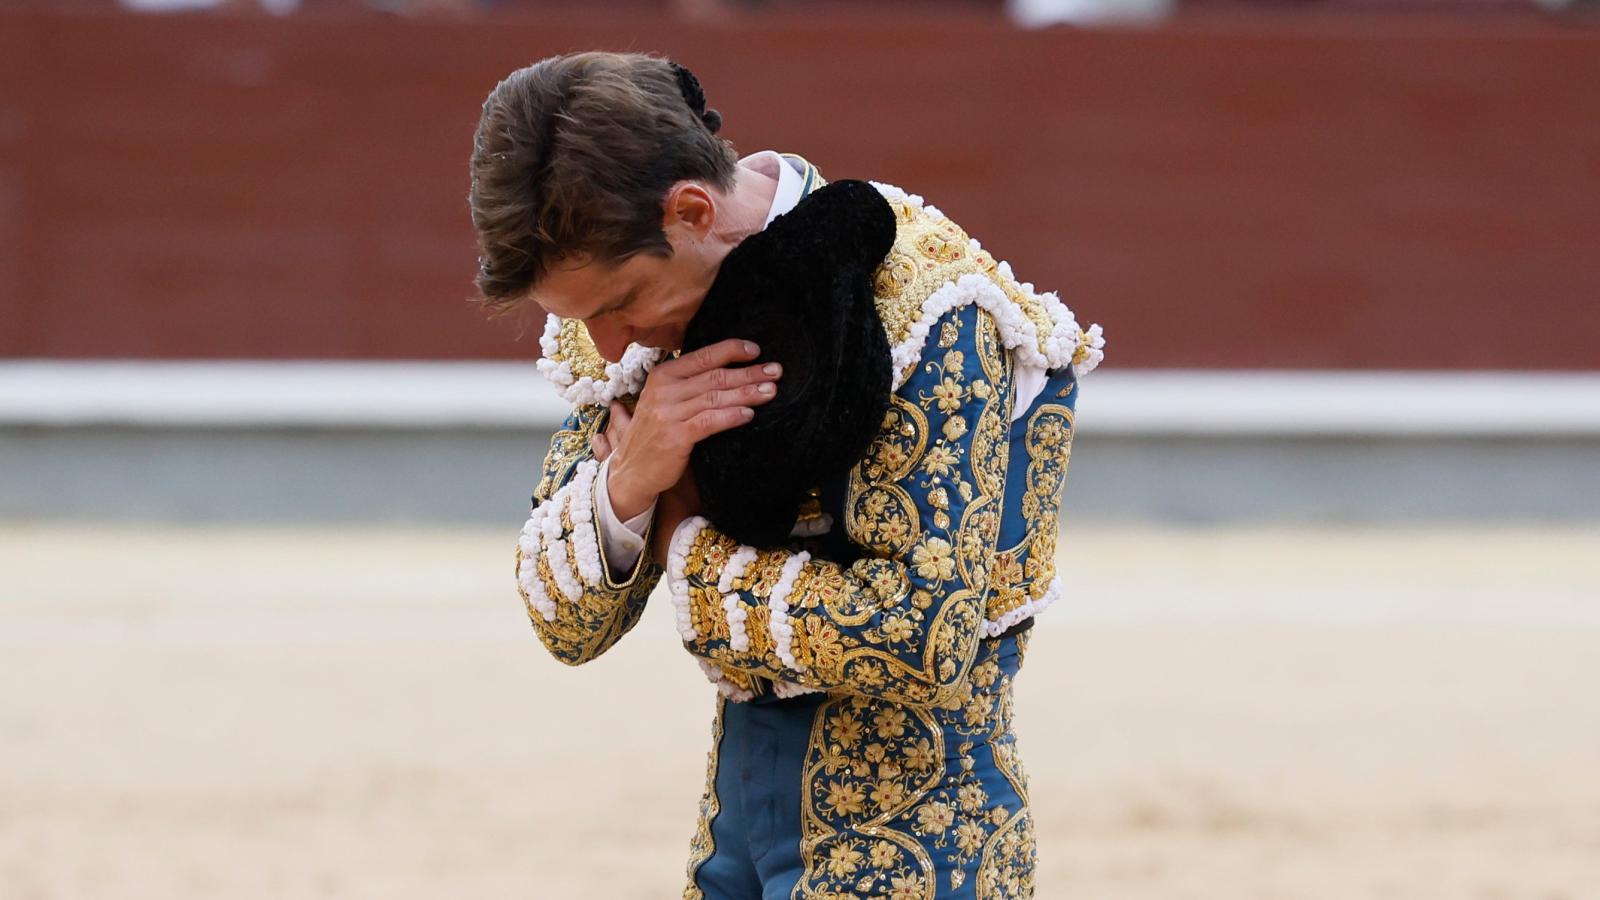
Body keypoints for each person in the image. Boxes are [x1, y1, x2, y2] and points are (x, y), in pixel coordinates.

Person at [468, 50, 1104, 899]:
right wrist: (630, 484)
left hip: (920, 841)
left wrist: (685, 548)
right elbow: (565, 624)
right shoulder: (637, 315)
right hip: (732, 836)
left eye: (620, 303)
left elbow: (924, 635)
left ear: (691, 210)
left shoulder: (923, 305)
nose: (612, 342)